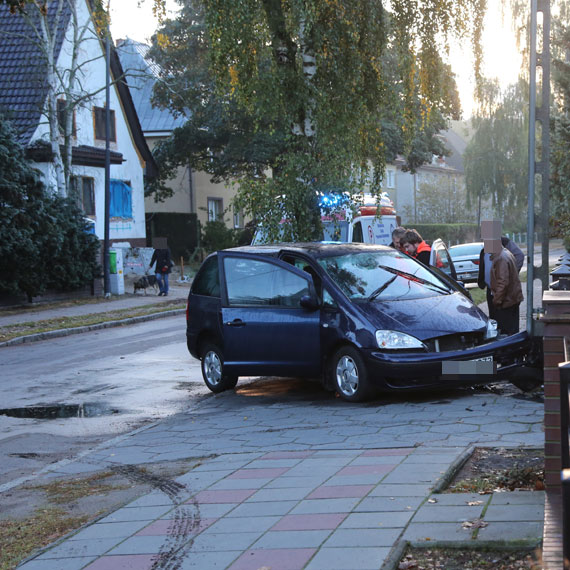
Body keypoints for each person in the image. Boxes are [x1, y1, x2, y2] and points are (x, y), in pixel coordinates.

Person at [478, 235, 524, 320]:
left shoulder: (501, 256)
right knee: (498, 321)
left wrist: (497, 300)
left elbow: (503, 282)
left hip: (503, 295)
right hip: (494, 291)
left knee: (505, 326)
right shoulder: (501, 253)